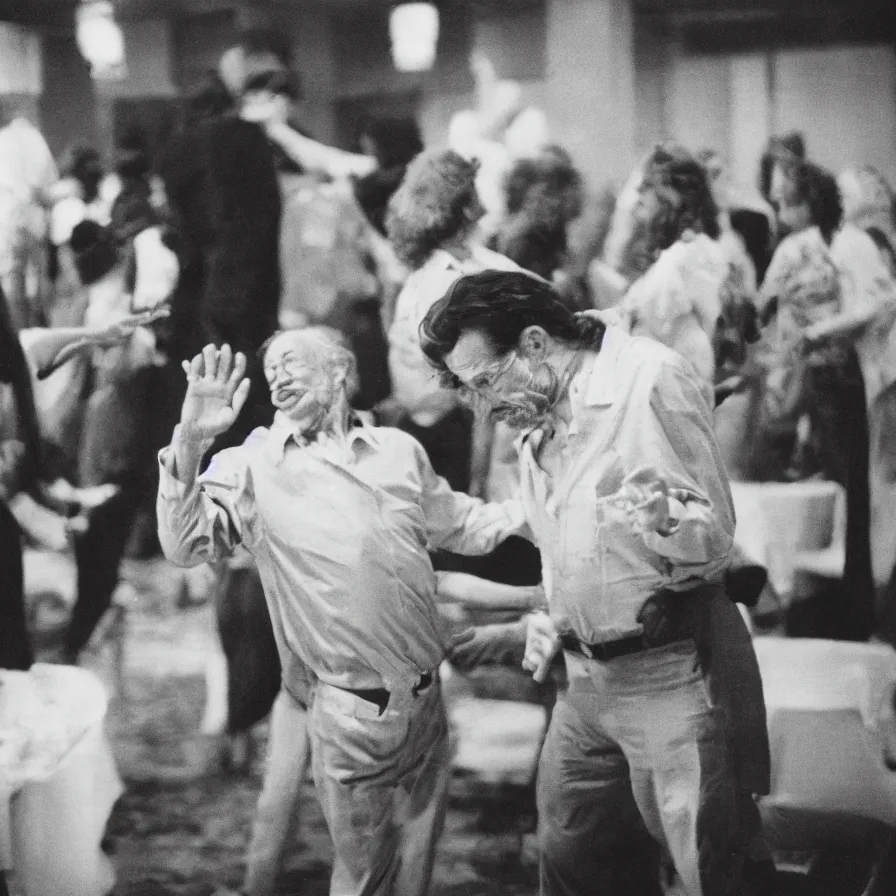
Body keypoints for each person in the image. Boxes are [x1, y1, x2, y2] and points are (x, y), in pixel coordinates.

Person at [421, 270, 771, 896]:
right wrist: (401, 500)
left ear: (533, 344)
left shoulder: (648, 379)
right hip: (582, 685)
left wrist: (644, 502)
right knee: (573, 867)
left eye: (483, 384)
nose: (480, 408)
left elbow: (712, 539)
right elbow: (524, 522)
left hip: (670, 677)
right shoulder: (539, 412)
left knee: (712, 874)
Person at [156, 329, 526, 896]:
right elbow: (184, 545)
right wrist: (188, 445)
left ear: (339, 371)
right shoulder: (252, 464)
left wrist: (539, 510)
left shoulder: (400, 452)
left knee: (416, 867)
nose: (277, 374)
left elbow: (463, 523)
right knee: (363, 878)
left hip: (429, 709)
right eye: (269, 367)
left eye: (291, 361)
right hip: (350, 714)